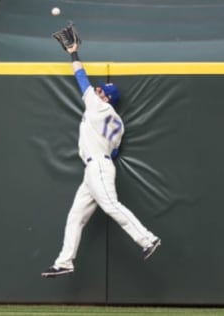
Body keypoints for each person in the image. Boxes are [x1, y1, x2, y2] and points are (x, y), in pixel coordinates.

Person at [41, 42, 161, 278]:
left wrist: (73, 53)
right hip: (98, 166)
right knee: (75, 216)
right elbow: (114, 152)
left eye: (99, 92)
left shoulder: (97, 105)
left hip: (98, 166)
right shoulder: (119, 123)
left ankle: (148, 238)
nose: (95, 92)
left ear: (106, 97)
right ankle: (64, 262)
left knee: (111, 206)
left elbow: (81, 78)